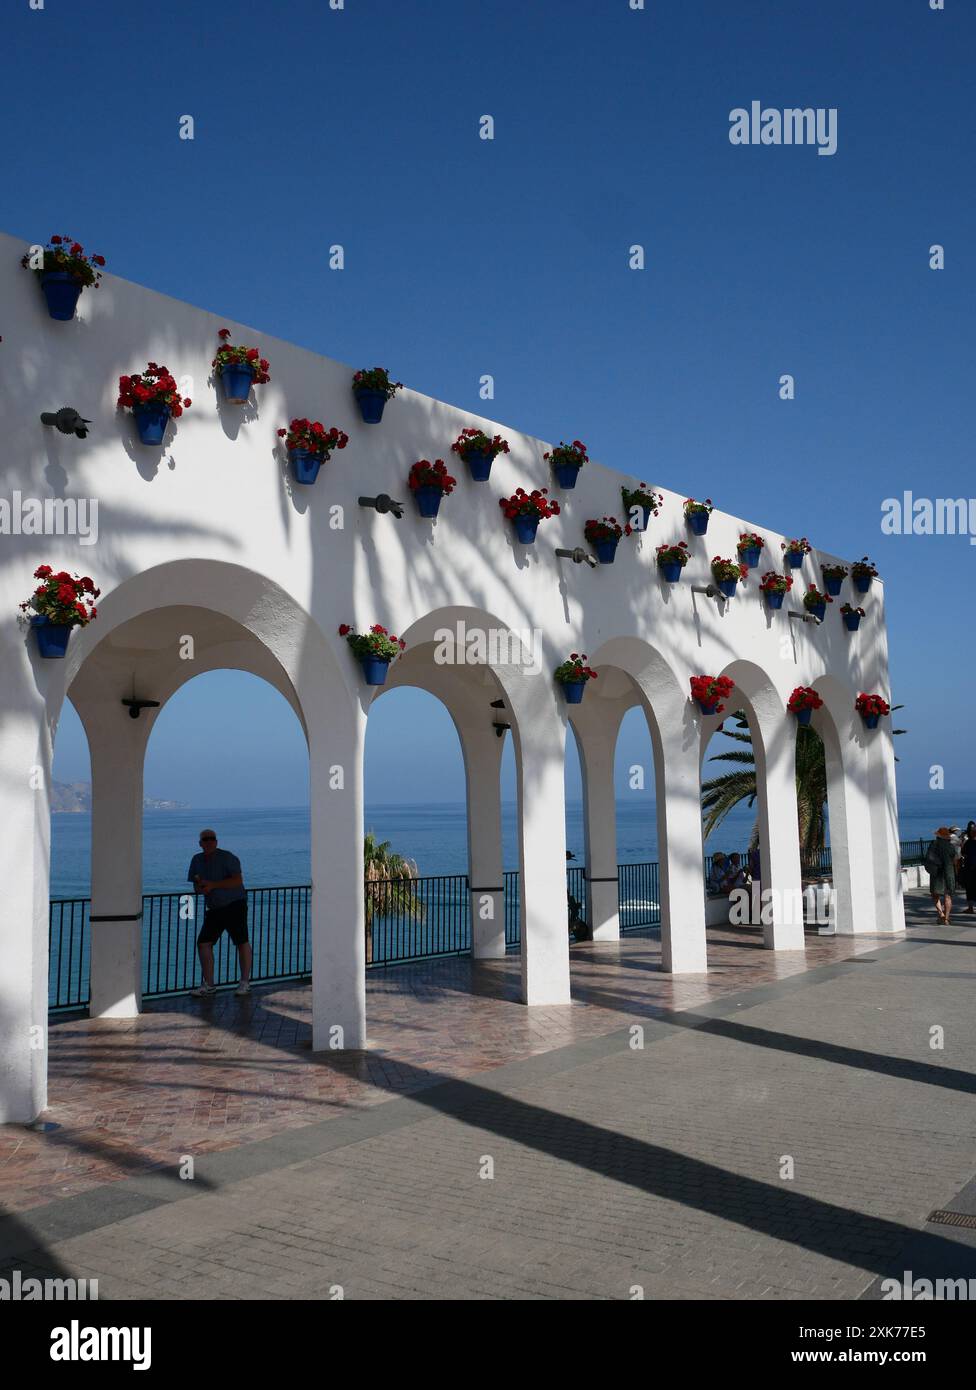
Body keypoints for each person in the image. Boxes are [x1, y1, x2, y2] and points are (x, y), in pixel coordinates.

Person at [187, 829, 251, 997]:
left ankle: (245, 982)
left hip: (234, 905)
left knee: (241, 942)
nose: (209, 841)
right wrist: (201, 888)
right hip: (215, 908)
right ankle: (209, 985)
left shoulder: (227, 857)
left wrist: (213, 885)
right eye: (205, 839)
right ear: (200, 843)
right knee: (204, 943)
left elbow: (238, 880)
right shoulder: (197, 860)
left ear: (216, 841)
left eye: (212, 839)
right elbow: (195, 884)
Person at [924, 827, 957, 926]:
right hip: (949, 873)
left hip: (937, 873)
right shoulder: (950, 846)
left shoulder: (934, 844)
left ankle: (941, 914)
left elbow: (928, 857)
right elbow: (954, 858)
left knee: (935, 894)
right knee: (948, 896)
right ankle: (946, 919)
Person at [961, 825, 976, 916]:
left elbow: (963, 854)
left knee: (970, 888)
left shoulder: (968, 843)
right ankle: (970, 908)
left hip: (970, 869)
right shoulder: (968, 843)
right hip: (970, 869)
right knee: (970, 888)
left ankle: (970, 908)